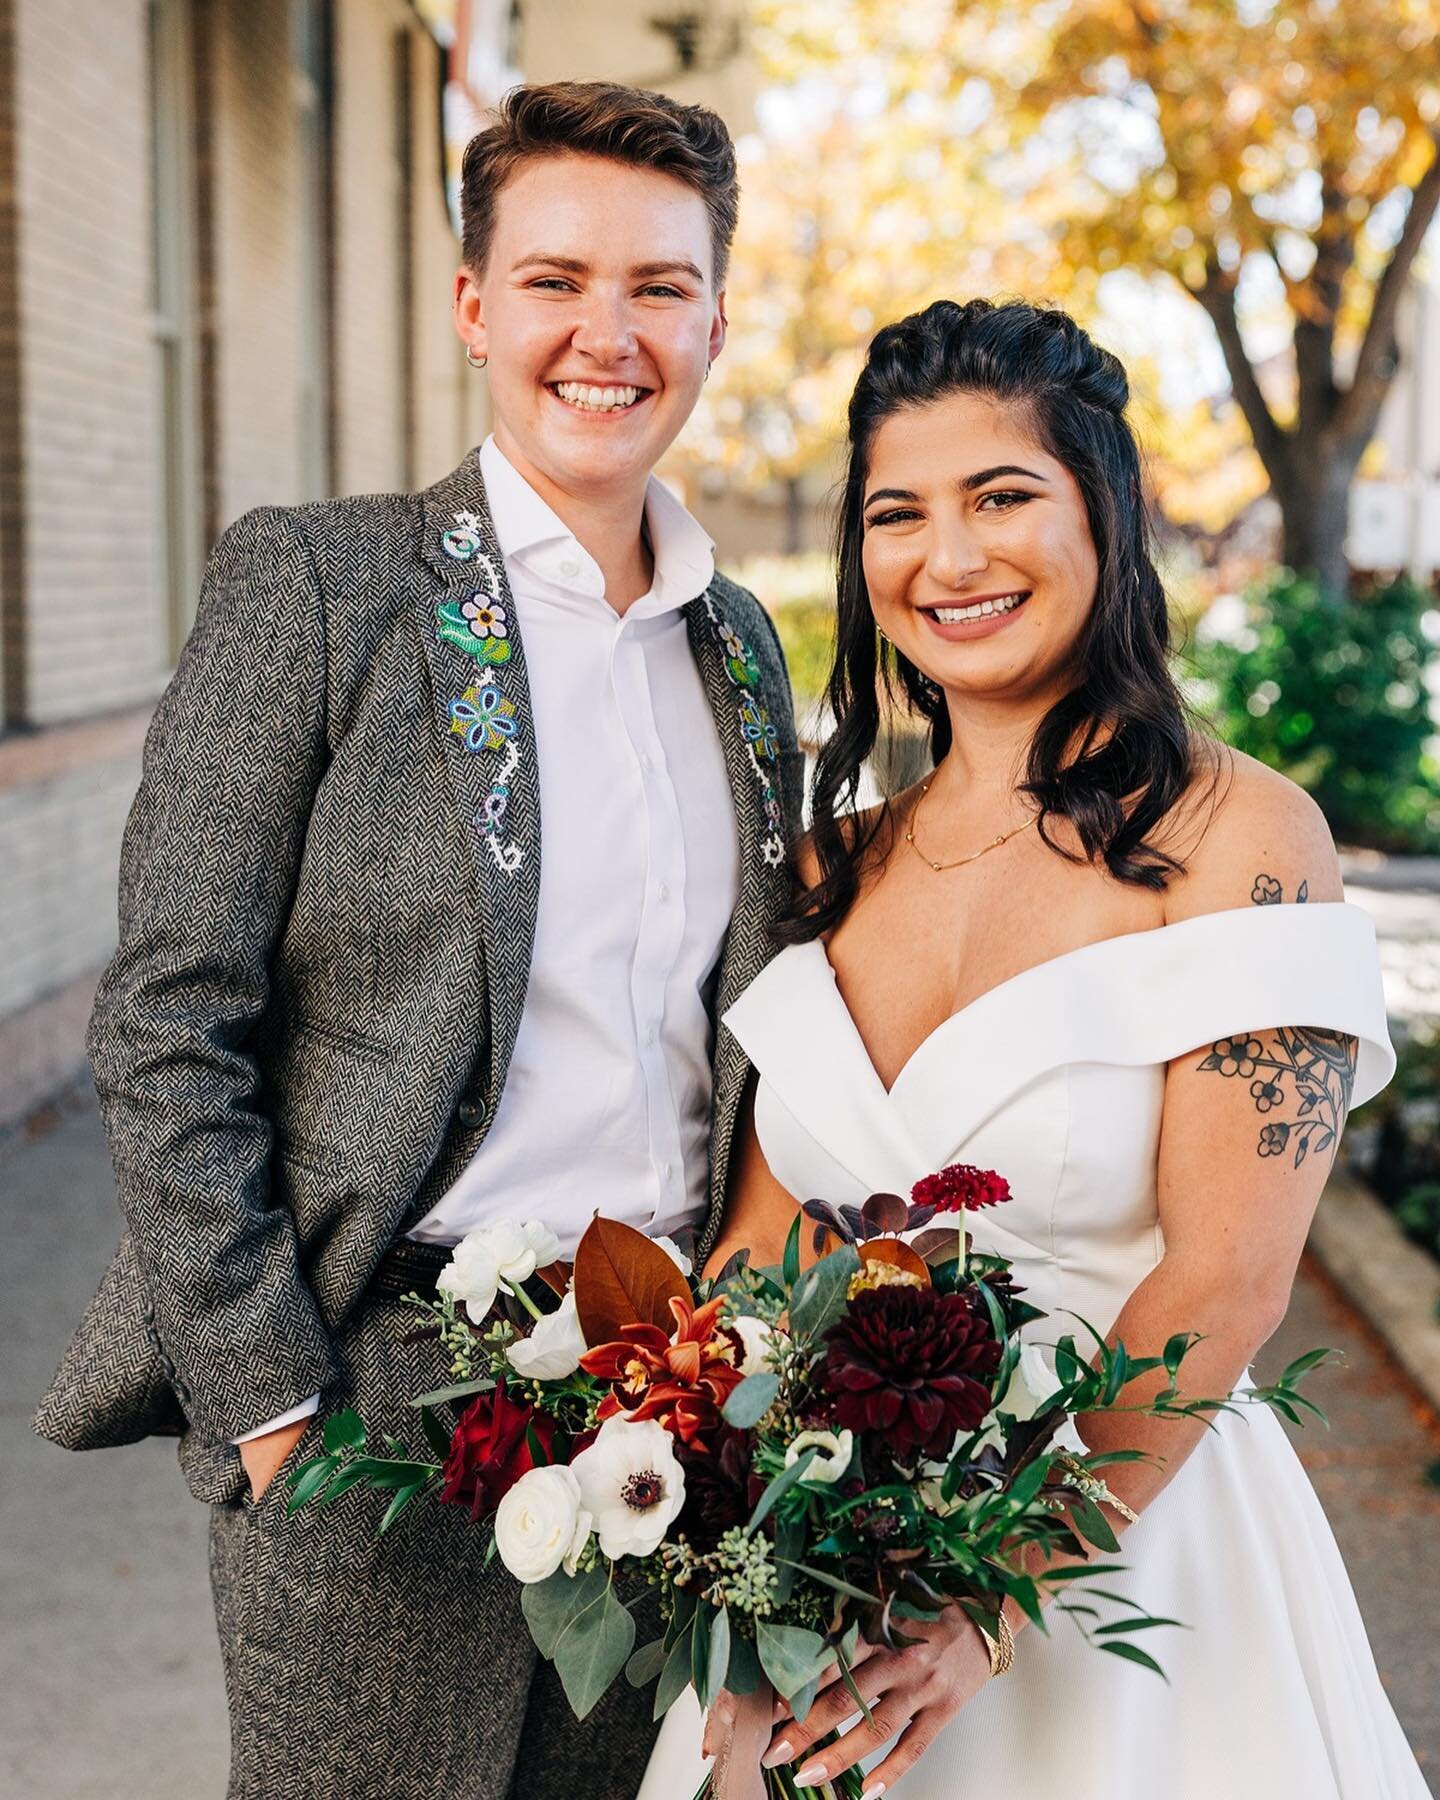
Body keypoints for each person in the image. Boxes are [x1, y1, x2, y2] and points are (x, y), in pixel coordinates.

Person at [34, 81, 804, 1799]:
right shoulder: (323, 589)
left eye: (659, 288)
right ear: (472, 307)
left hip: (662, 1414)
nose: (606, 334)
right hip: (369, 1408)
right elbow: (172, 1011)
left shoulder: (740, 651)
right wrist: (267, 1409)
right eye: (555, 280)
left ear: (717, 320)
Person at [640, 297, 1428, 1798]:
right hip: (824, 1575)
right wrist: (730, 1579)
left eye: (1002, 496)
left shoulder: (1244, 842)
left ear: (1110, 512)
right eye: (898, 513)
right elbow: (755, 1245)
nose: (951, 558)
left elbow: (1227, 1278)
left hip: (1128, 1571)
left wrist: (987, 1603)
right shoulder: (832, 868)